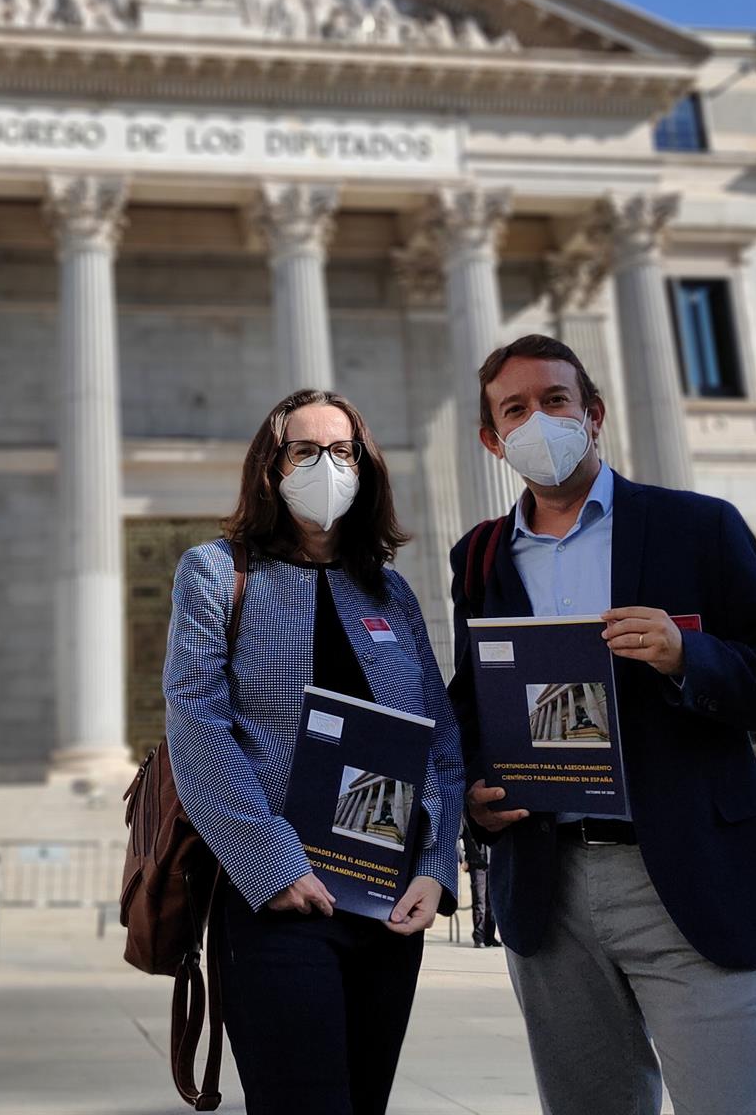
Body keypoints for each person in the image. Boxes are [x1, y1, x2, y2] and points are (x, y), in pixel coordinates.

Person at [449, 334, 756, 1115]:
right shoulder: (478, 557)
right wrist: (475, 794)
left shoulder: (697, 526)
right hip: (548, 889)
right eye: (515, 409)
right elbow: (474, 701)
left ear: (594, 415)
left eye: (555, 400)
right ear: (493, 439)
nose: (538, 420)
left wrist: (690, 654)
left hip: (689, 873)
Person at [164, 388, 466, 1115]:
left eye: (342, 450)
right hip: (279, 900)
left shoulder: (389, 591)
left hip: (387, 902)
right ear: (271, 467)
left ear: (364, 467)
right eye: (305, 449)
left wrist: (434, 865)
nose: (326, 465)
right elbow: (197, 723)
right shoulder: (214, 572)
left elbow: (439, 738)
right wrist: (272, 866)